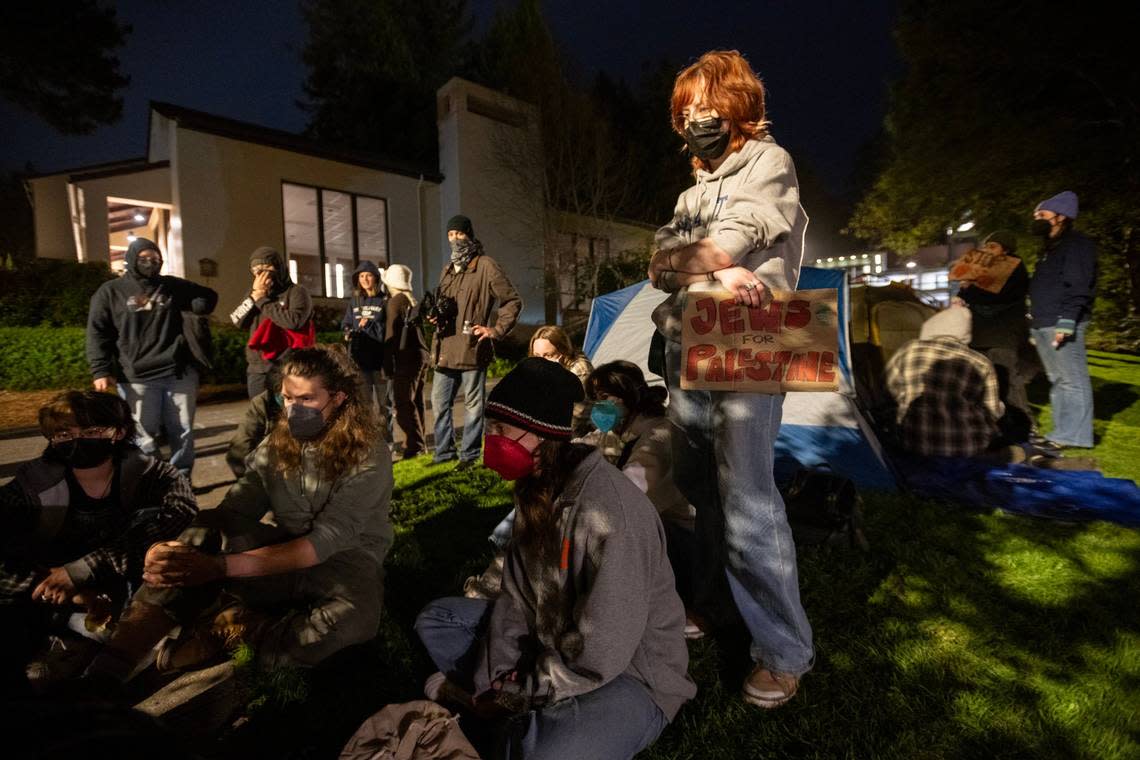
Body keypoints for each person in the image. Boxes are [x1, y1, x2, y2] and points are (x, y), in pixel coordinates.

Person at [414, 358, 695, 759]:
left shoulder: (610, 514)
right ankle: (514, 711)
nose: (490, 440)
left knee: (546, 753)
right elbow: (512, 601)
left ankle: (520, 721)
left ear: (542, 434)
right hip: (553, 639)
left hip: (630, 673)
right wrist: (496, 680)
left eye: (500, 429)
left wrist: (518, 692)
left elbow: (603, 652)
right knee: (437, 620)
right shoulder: (537, 488)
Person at [645, 50, 813, 708]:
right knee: (698, 489)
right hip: (684, 337)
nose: (694, 119)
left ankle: (784, 649)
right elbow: (658, 261)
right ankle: (714, 605)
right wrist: (708, 273)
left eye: (707, 106)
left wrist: (706, 263)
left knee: (747, 497)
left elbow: (728, 241)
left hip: (751, 334)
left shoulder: (770, 164)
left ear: (739, 107)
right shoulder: (691, 191)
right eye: (684, 111)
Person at [85, 345, 394, 682]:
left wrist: (219, 567)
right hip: (285, 548)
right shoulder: (278, 445)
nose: (293, 409)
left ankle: (243, 629)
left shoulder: (368, 453)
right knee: (203, 531)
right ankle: (114, 661)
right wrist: (173, 551)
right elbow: (234, 510)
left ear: (338, 399)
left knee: (353, 623)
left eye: (306, 399)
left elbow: (326, 540)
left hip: (348, 561)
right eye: (287, 399)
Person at [0, 391, 197, 695]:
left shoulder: (150, 475)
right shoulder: (31, 486)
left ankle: (119, 656)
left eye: (91, 431)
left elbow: (181, 516)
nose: (77, 441)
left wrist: (82, 570)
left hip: (130, 585)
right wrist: (74, 592)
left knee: (188, 547)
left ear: (118, 432)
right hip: (52, 595)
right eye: (64, 434)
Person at [86, 237, 218, 477]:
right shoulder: (110, 292)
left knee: (183, 431)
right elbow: (97, 332)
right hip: (135, 376)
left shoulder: (170, 286)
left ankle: (181, 479)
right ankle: (155, 478)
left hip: (177, 373)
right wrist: (101, 370)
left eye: (155, 259)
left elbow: (208, 296)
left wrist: (197, 306)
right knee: (141, 435)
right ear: (131, 259)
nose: (150, 263)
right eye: (144, 259)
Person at [430, 215, 522, 470]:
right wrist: (435, 316)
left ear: (469, 235)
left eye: (459, 234)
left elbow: (512, 300)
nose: (454, 239)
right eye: (450, 235)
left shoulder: (485, 265)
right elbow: (444, 305)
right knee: (440, 404)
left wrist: (496, 329)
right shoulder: (447, 269)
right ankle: (443, 452)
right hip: (445, 347)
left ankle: (468, 456)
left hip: (471, 347)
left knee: (473, 407)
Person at [884, 306, 1022, 461]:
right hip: (968, 447)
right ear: (965, 333)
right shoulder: (980, 361)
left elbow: (891, 388)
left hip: (912, 442)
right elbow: (992, 410)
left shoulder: (909, 349)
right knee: (1016, 450)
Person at [1028, 191, 1098, 450]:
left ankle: (1074, 436)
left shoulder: (1077, 245)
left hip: (1061, 320)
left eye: (1042, 214)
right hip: (1044, 320)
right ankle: (1061, 432)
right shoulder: (1050, 248)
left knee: (1072, 379)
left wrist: (1067, 321)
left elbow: (1079, 285)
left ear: (1061, 217)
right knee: (1058, 379)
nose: (1037, 218)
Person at [956, 230, 1033, 442]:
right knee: (984, 382)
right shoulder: (986, 269)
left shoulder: (1013, 266)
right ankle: (993, 424)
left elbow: (989, 296)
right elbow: (969, 295)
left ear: (1005, 249)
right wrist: (965, 288)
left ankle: (1025, 426)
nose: (987, 250)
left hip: (1002, 335)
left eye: (993, 246)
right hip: (981, 335)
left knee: (1008, 380)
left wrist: (968, 288)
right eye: (986, 246)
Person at [230, 246, 314, 399]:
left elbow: (294, 321)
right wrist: (253, 297)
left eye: (267, 267)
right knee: (261, 415)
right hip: (257, 368)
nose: (262, 274)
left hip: (288, 367)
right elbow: (237, 320)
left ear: (279, 268)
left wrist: (262, 300)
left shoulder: (296, 292)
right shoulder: (254, 293)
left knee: (286, 416)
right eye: (256, 269)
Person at [383, 264, 429, 459]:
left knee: (402, 403)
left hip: (406, 357)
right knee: (415, 401)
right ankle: (419, 443)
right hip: (420, 355)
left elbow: (391, 335)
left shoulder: (395, 303)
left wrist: (387, 362)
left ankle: (415, 445)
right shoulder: (409, 300)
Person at [342, 260, 391, 439]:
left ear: (376, 278)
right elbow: (346, 322)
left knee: (384, 406)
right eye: (361, 276)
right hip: (359, 361)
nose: (365, 279)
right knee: (364, 404)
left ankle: (388, 441)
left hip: (379, 361)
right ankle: (370, 442)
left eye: (368, 275)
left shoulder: (385, 301)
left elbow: (387, 330)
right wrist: (347, 331)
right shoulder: (354, 301)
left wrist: (369, 324)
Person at [529, 325, 594, 436]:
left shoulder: (579, 372)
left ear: (563, 351)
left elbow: (573, 421)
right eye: (537, 355)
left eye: (548, 355)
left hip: (576, 435)